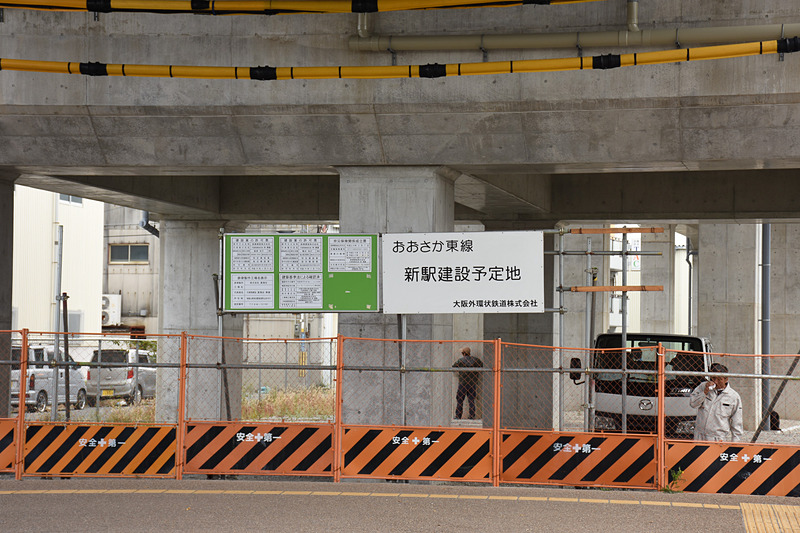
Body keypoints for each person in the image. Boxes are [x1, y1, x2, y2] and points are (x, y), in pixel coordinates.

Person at [689, 363, 743, 442]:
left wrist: (735, 443)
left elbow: (737, 422)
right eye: (713, 378)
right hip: (699, 436)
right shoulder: (703, 387)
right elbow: (693, 403)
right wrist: (704, 392)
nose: (715, 382)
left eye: (719, 379)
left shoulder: (733, 396)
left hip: (718, 438)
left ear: (726, 379)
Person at [453, 347, 483, 420]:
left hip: (463, 383)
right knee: (471, 400)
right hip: (472, 383)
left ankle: (458, 416)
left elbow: (454, 367)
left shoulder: (460, 361)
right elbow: (481, 365)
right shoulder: (476, 360)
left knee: (460, 400)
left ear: (463, 353)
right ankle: (472, 416)